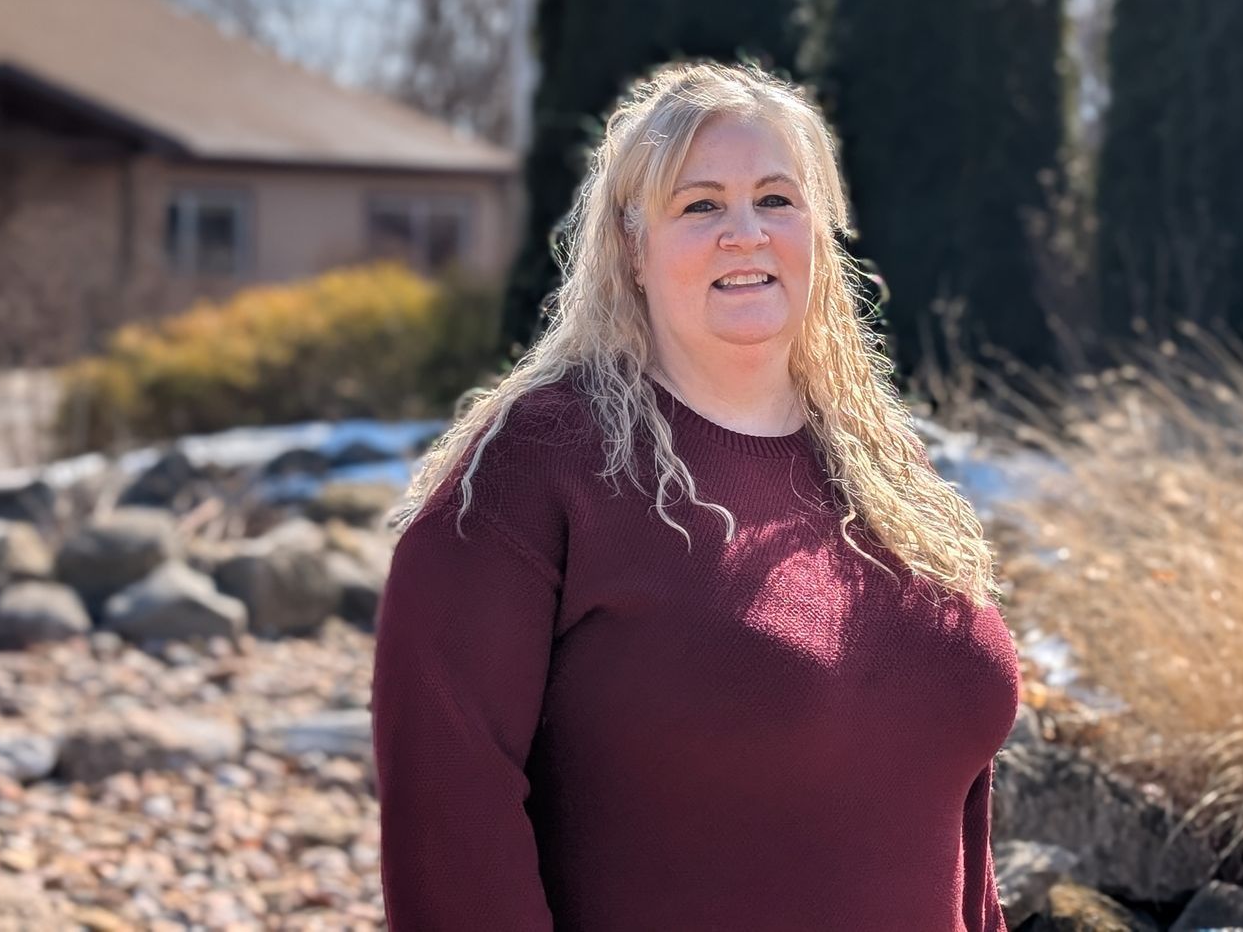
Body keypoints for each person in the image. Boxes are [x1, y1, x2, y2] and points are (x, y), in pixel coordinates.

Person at [371, 59, 1020, 930]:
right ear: (632, 248)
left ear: (820, 233)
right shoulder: (535, 469)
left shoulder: (885, 465)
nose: (745, 232)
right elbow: (447, 815)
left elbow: (955, 823)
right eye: (701, 204)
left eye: (778, 200)